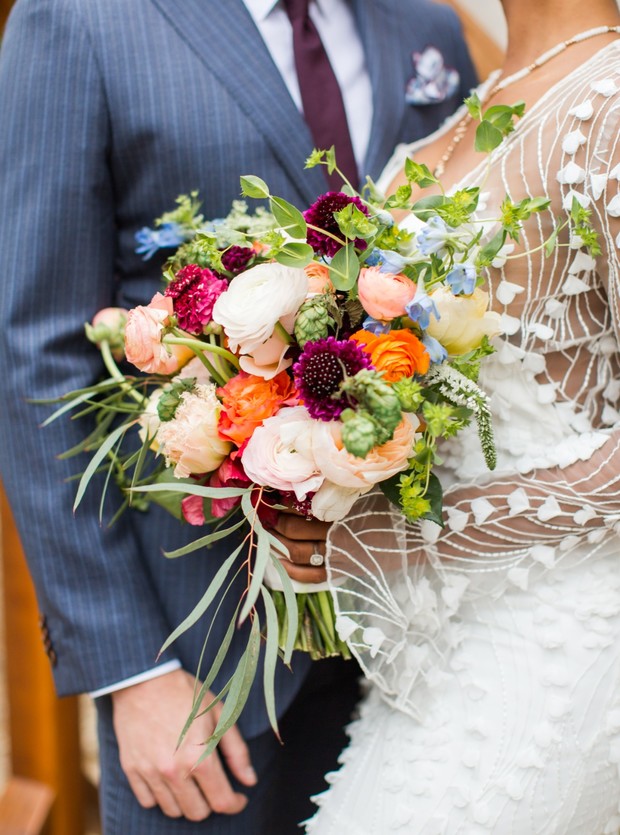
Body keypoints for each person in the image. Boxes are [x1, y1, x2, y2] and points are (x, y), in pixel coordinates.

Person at [0, 0, 476, 832]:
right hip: (202, 676)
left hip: (422, 662)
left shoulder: (424, 25)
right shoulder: (76, 20)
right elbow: (35, 352)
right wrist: (130, 672)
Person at [289, 0, 620, 832]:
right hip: (432, 647)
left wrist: (412, 535)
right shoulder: (455, 113)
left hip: (565, 631)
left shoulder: (608, 103)